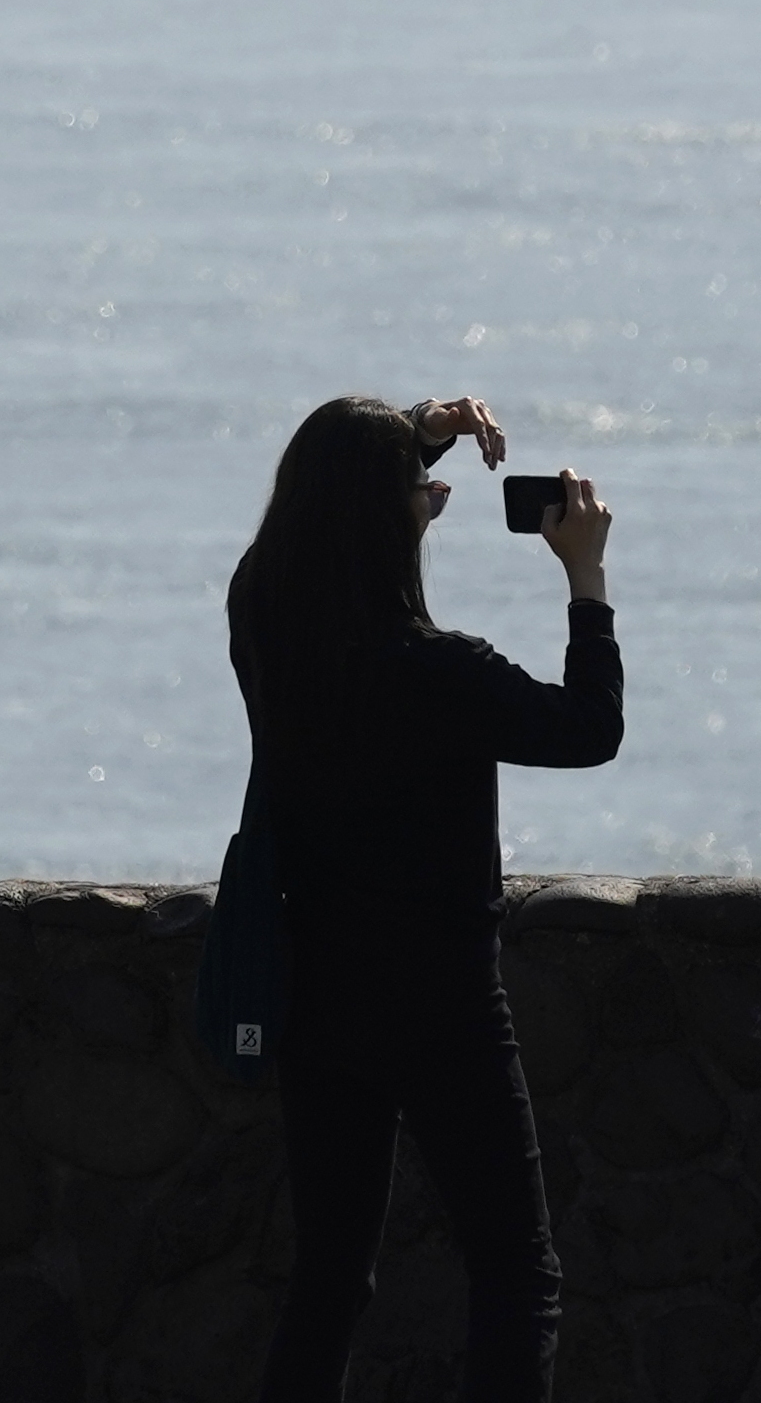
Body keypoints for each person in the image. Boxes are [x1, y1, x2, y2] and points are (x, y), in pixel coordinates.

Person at [227, 392, 620, 1403]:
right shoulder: (441, 673)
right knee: (512, 1271)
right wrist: (585, 577)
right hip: (440, 998)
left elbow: (331, 491)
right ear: (392, 515)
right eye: (417, 491)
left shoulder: (262, 615)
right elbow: (585, 728)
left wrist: (417, 435)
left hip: (316, 986)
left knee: (328, 1279)